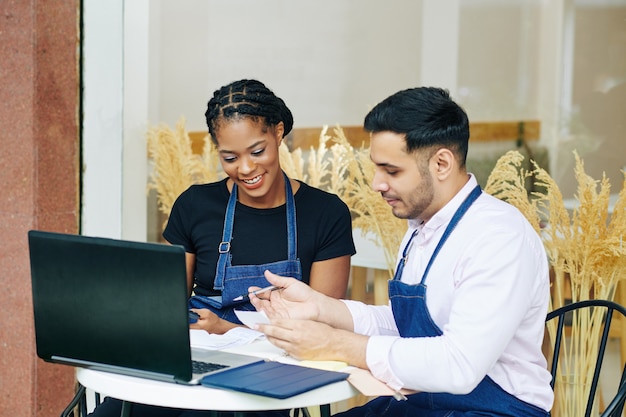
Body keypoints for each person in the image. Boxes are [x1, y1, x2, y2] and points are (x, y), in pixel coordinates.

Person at [251, 87, 554, 416]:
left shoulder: (498, 237)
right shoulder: (422, 228)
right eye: (377, 169)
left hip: (494, 410)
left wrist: (334, 343)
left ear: (441, 163)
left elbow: (460, 365)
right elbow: (403, 327)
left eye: (391, 171)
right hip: (425, 401)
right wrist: (321, 308)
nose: (377, 184)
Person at [88, 79, 356, 417]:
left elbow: (324, 329)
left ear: (278, 131)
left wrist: (230, 329)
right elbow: (166, 307)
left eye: (257, 151)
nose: (245, 168)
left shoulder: (324, 213)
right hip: (195, 356)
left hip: (275, 367)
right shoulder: (195, 205)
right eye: (230, 157)